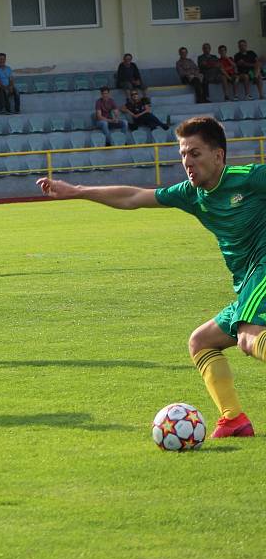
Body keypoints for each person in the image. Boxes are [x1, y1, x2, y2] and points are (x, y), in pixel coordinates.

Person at [37, 116, 264, 440]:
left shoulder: (250, 177)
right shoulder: (191, 194)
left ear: (219, 156)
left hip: (264, 271)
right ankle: (234, 421)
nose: (187, 162)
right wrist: (76, 190)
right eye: (184, 154)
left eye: (195, 154)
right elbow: (133, 197)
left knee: (246, 336)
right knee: (201, 342)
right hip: (247, 283)